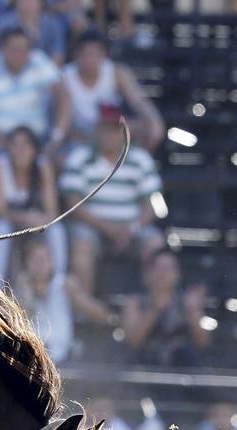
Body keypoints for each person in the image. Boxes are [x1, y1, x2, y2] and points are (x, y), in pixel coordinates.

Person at [61, 102, 165, 295]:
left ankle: (155, 309)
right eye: (105, 129)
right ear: (97, 130)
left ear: (123, 132)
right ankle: (86, 313)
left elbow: (154, 204)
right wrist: (108, 228)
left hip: (133, 229)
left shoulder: (141, 159)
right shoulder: (80, 158)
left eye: (114, 130)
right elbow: (72, 203)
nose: (109, 135)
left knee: (155, 245)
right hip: (92, 227)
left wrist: (131, 229)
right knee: (81, 248)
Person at [0, 27, 70, 151]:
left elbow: (63, 96)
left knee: (58, 158)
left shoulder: (39, 61)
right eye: (13, 49)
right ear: (2, 49)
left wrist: (57, 137)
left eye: (23, 49)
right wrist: (10, 147)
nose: (18, 54)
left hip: (38, 139)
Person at [63, 29, 164, 151]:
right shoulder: (65, 77)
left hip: (111, 129)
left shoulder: (117, 73)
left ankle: (136, 165)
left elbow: (138, 101)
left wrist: (154, 122)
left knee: (146, 129)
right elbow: (62, 120)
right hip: (79, 133)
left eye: (93, 54)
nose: (89, 60)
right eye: (85, 54)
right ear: (76, 55)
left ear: (104, 55)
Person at [0, 125, 63, 280]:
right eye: (15, 145)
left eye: (26, 145)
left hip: (34, 218)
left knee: (56, 230)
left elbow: (52, 211)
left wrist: (41, 221)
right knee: (2, 230)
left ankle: (57, 282)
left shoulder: (43, 167)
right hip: (5, 218)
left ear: (34, 149)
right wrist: (26, 218)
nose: (20, 150)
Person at [120, 248, 210, 367]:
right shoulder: (134, 302)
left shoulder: (188, 302)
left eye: (169, 268)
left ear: (178, 274)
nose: (163, 273)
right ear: (148, 273)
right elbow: (132, 343)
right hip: (142, 370)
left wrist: (192, 312)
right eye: (159, 267)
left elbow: (203, 343)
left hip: (183, 373)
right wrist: (153, 310)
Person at [0, 0, 70, 66]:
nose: (28, 3)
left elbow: (58, 54)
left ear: (41, 3)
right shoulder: (2, 23)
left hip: (43, 73)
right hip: (9, 71)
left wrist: (48, 75)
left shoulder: (52, 24)